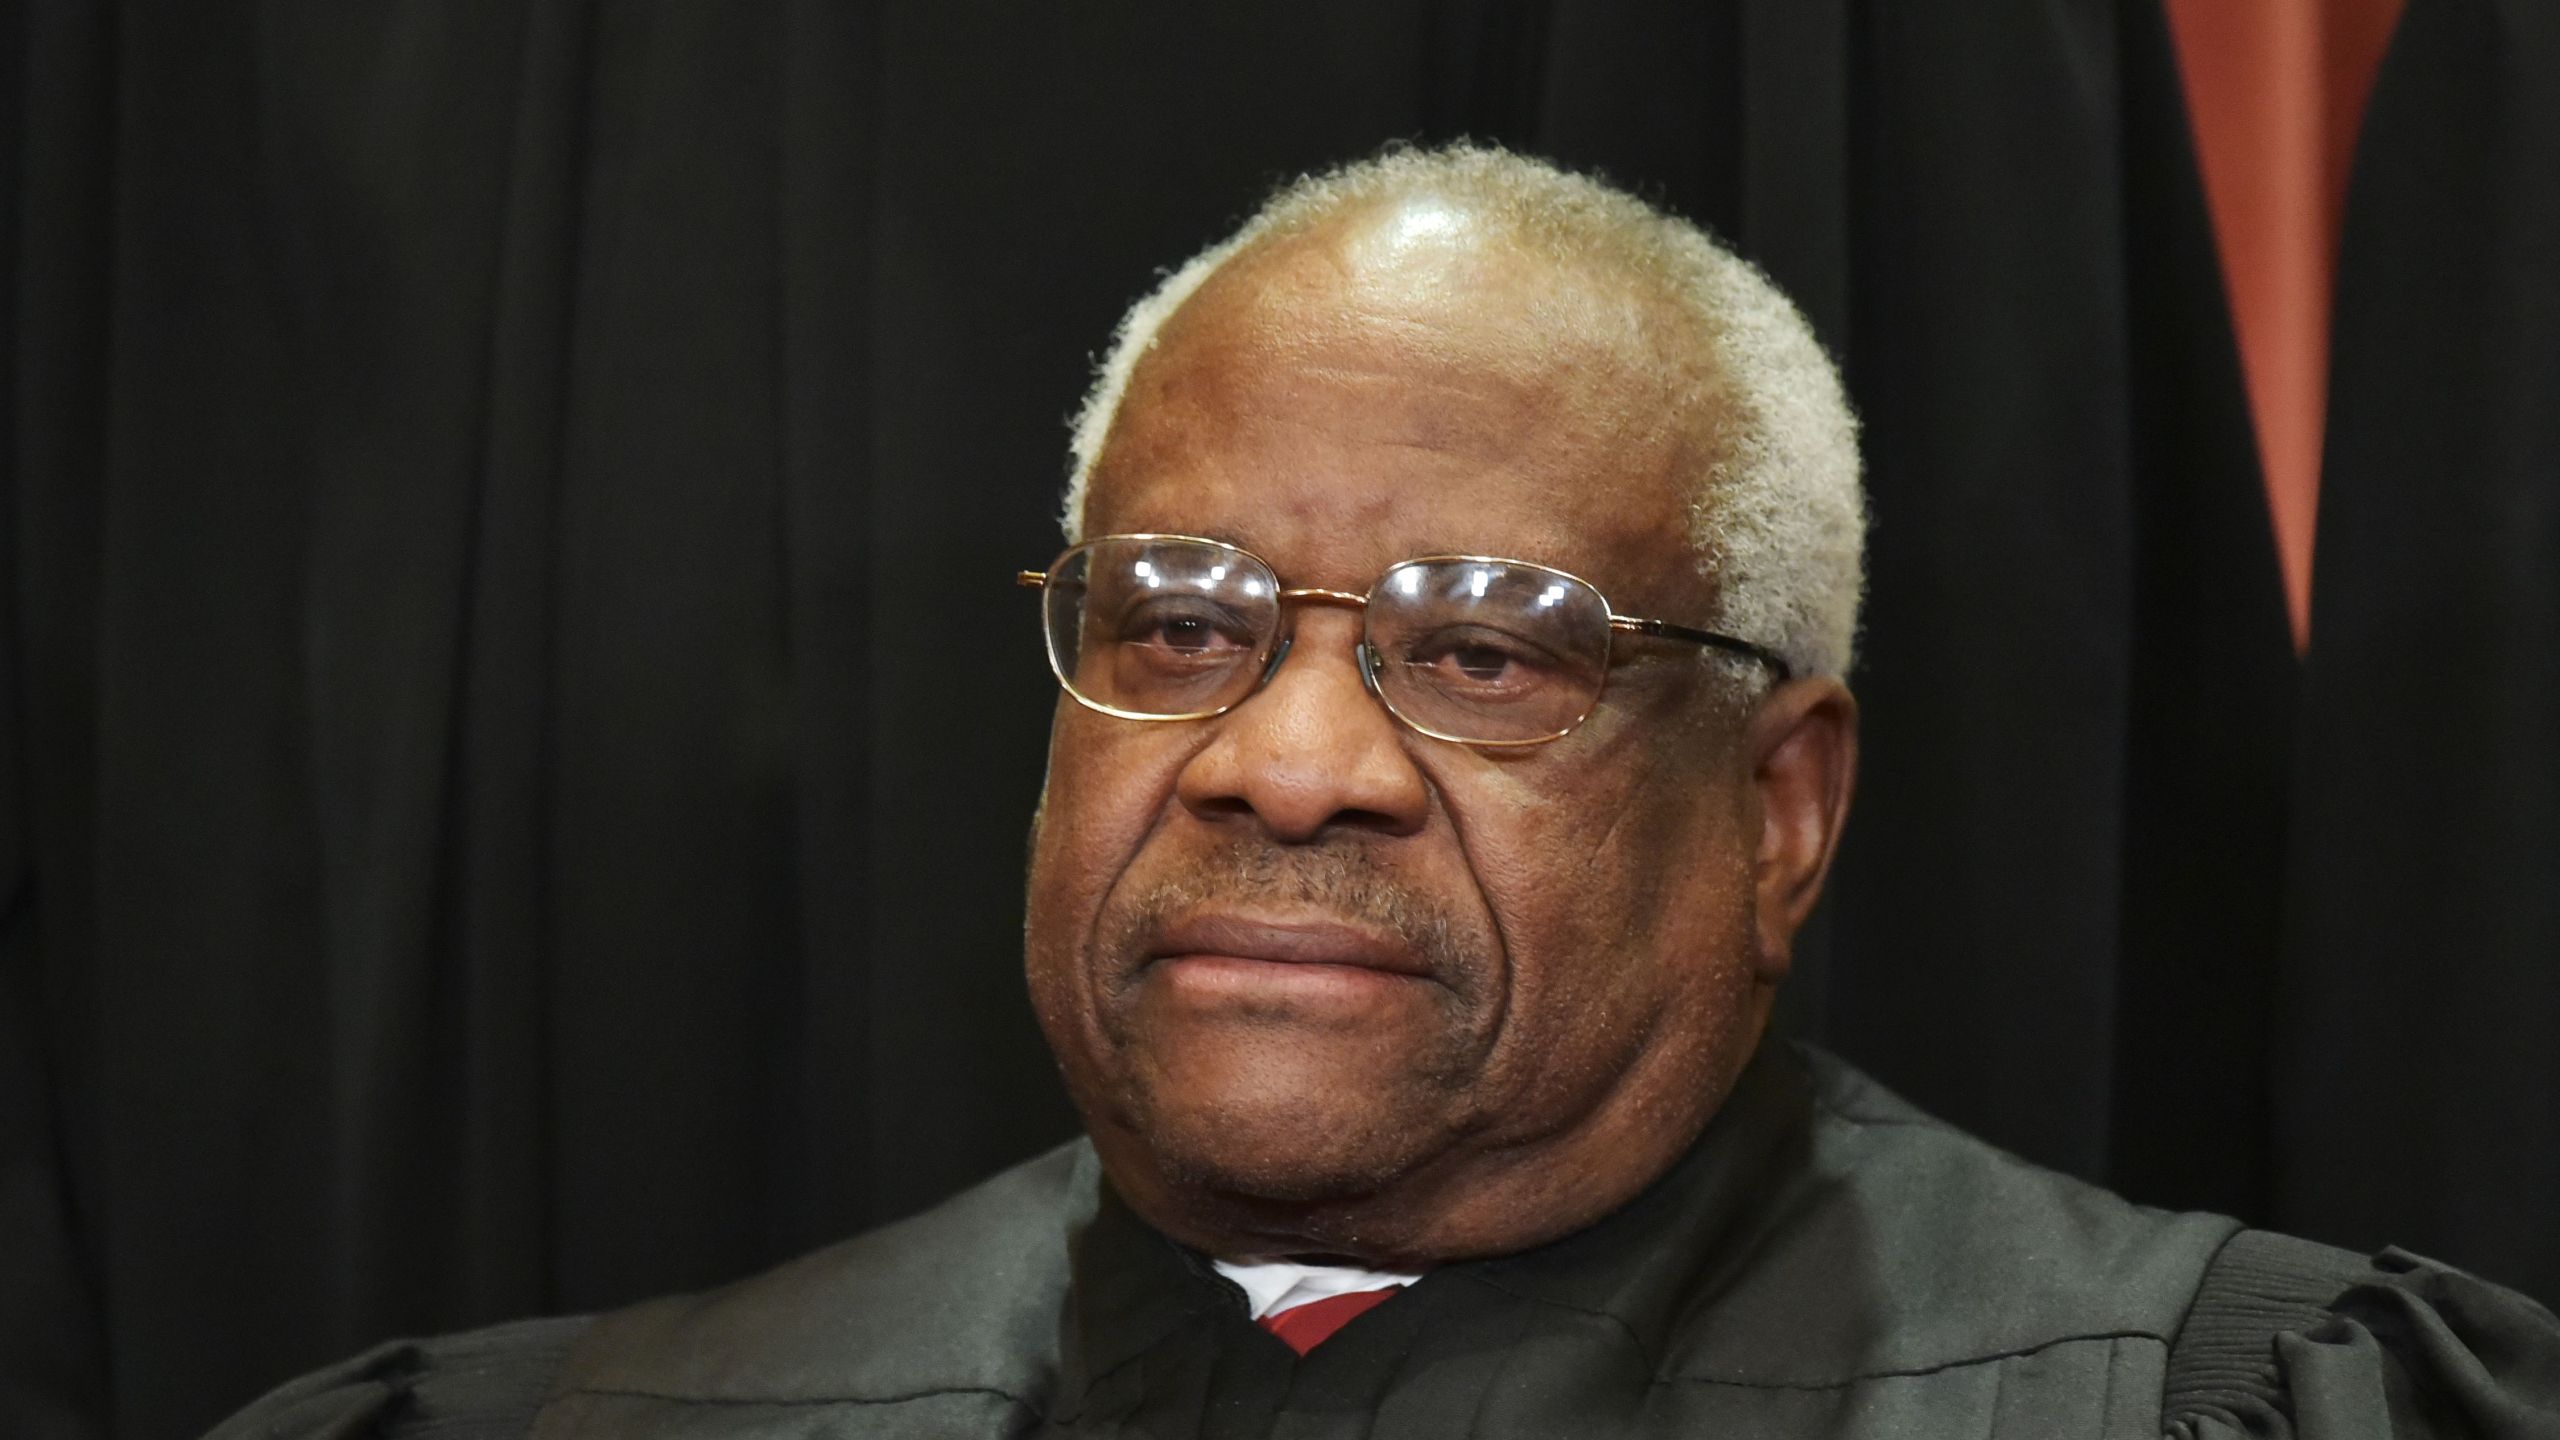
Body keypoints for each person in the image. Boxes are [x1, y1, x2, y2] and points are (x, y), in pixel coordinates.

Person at [212, 144, 2559, 1439]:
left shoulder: (2213, 1416)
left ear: (1778, 809)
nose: (1283, 759)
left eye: (1476, 650)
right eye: (1179, 622)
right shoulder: (585, 1431)